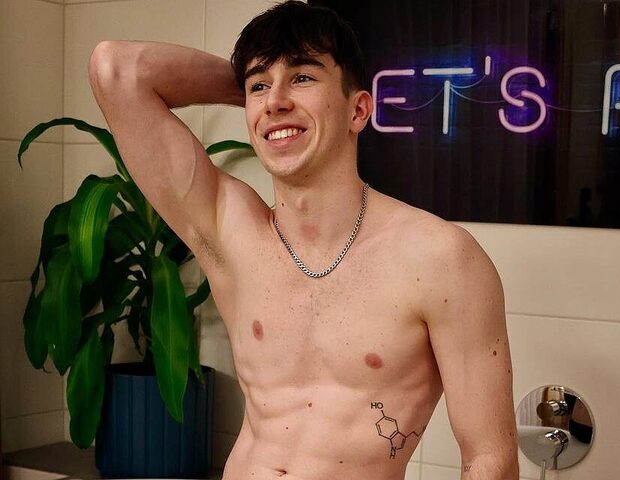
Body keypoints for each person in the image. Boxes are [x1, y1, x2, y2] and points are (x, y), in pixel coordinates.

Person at [88, 1, 519, 478]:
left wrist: (279, 96)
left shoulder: (441, 259)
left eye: (303, 77)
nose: (275, 101)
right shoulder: (230, 234)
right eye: (259, 85)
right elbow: (115, 69)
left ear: (359, 109)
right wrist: (261, 94)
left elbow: (489, 458)